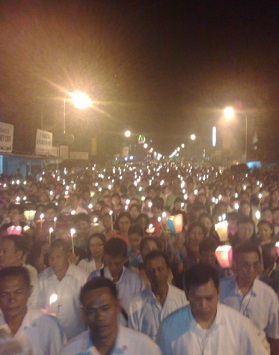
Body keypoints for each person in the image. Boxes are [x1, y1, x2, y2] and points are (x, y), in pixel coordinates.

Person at [156, 263, 268, 355]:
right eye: (197, 299)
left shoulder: (240, 325)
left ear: (219, 291)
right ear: (187, 295)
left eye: (209, 298)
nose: (203, 305)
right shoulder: (169, 327)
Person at [60, 277, 161, 355]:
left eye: (105, 308)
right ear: (84, 314)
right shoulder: (71, 351)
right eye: (92, 311)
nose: (99, 316)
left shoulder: (143, 349)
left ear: (117, 307)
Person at [220, 241, 279, 354]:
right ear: (235, 264)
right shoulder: (221, 290)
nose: (251, 269)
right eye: (246, 264)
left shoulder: (268, 295)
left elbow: (274, 337)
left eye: (255, 265)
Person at [0, 266, 65, 355]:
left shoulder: (48, 326)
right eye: (5, 294)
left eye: (18, 292)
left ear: (29, 291)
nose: (12, 299)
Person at [128, 250, 187, 340]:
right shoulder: (136, 304)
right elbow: (134, 340)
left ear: (168, 270)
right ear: (146, 273)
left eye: (160, 269)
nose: (156, 274)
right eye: (151, 271)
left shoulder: (183, 299)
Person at [38, 239, 88, 340]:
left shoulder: (81, 277)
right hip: (50, 336)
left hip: (75, 335)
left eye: (58, 257)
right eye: (51, 258)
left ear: (67, 256)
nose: (54, 261)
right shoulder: (42, 278)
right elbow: (38, 306)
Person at [88, 238, 143, 325]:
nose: (113, 268)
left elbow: (138, 312)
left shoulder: (134, 280)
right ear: (105, 257)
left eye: (117, 264)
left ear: (125, 259)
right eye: (110, 263)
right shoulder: (95, 278)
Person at [0, 234, 38, 308]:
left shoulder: (29, 274)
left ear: (19, 254)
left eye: (5, 251)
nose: (0, 254)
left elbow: (31, 304)